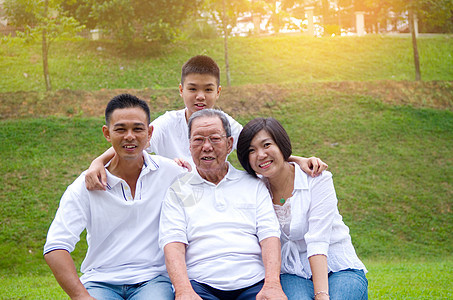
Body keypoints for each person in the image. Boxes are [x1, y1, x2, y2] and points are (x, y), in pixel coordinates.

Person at [85, 55, 327, 190]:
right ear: (181, 90)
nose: (200, 96)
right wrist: (98, 162)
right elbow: (135, 143)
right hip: (176, 198)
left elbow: (260, 149)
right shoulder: (168, 123)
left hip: (212, 195)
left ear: (218, 92)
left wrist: (298, 160)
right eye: (193, 89)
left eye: (208, 89)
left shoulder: (227, 124)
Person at [43, 94, 186, 300]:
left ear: (149, 132)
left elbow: (199, 213)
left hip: (153, 280)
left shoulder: (172, 173)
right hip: (100, 281)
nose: (130, 136)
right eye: (120, 129)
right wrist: (81, 297)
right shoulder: (85, 185)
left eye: (138, 129)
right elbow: (55, 246)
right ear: (107, 133)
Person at [159, 109, 287, 300]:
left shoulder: (253, 184)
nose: (207, 147)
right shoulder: (179, 190)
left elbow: (269, 235)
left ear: (229, 144)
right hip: (200, 285)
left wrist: (272, 284)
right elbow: (173, 243)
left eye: (215, 139)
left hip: (254, 283)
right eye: (198, 140)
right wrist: (184, 290)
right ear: (189, 146)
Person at [236, 117, 368, 300]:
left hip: (337, 265)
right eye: (251, 150)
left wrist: (321, 295)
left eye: (266, 145)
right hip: (292, 272)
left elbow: (318, 240)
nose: (260, 154)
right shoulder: (255, 188)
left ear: (280, 144)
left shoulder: (317, 179)